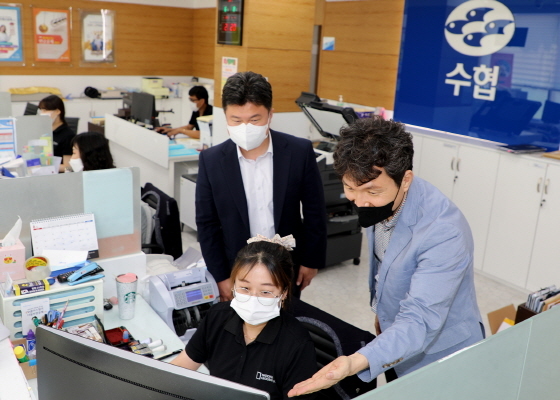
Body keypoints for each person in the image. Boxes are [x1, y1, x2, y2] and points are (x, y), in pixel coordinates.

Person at [288, 117, 484, 397]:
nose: (360, 201)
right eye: (350, 189)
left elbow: (419, 320)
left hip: (441, 355)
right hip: (394, 341)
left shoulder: (444, 231)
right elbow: (386, 260)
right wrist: (383, 310)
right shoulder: (380, 199)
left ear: (405, 180)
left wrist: (352, 362)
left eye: (371, 191)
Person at [195, 71, 327, 301]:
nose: (245, 127)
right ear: (225, 116)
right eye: (236, 120)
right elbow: (207, 224)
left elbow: (315, 211)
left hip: (286, 266)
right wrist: (220, 276)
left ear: (270, 114)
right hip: (236, 270)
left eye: (255, 119)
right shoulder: (212, 161)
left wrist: (311, 260)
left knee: (285, 327)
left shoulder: (298, 152)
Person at [172, 236, 318, 400]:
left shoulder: (297, 345)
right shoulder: (217, 317)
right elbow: (180, 368)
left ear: (283, 293)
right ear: (233, 285)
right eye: (245, 288)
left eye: (265, 292)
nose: (253, 298)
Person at [38, 95, 75, 173]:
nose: (42, 113)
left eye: (45, 110)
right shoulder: (45, 130)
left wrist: (45, 166)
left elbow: (68, 167)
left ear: (57, 111)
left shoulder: (68, 135)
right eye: (41, 110)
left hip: (57, 176)